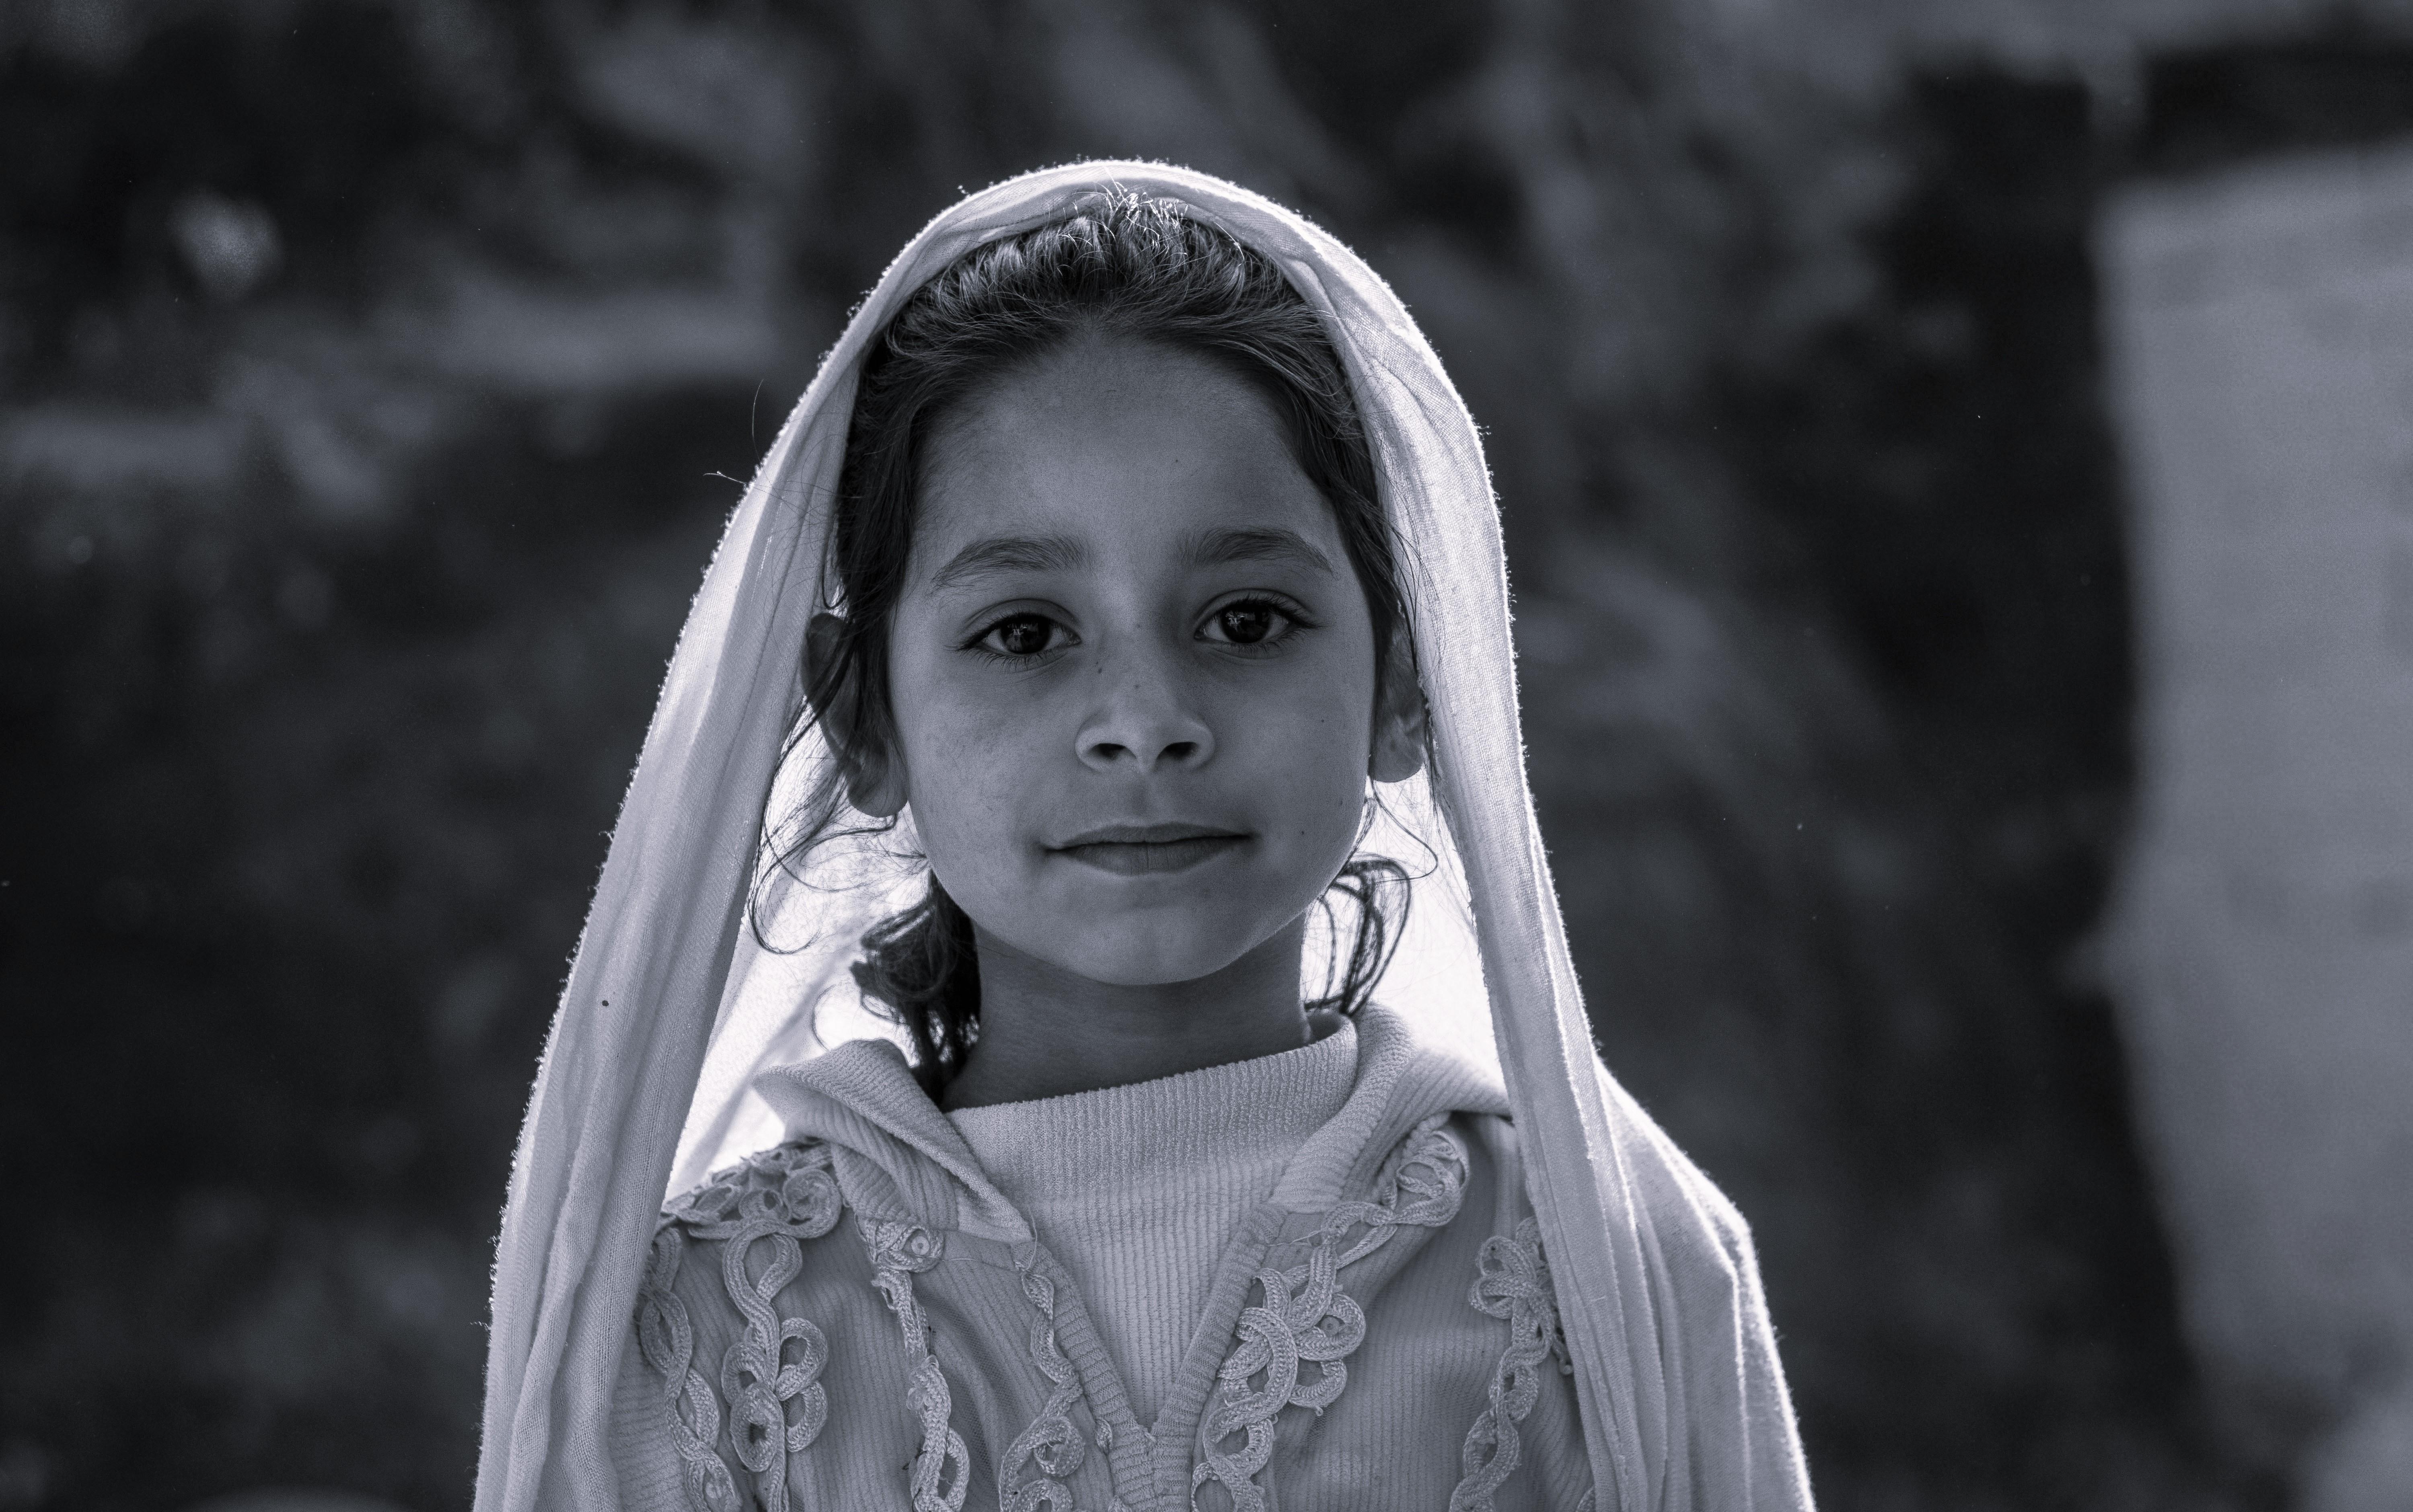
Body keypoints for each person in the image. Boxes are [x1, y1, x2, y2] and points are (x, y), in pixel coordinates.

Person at [474, 164, 1814, 1512]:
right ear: (862, 718)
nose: (1146, 722)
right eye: (1024, 634)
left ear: (1409, 680)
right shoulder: (707, 1333)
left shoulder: (1614, 1270)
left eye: (1246, 620)